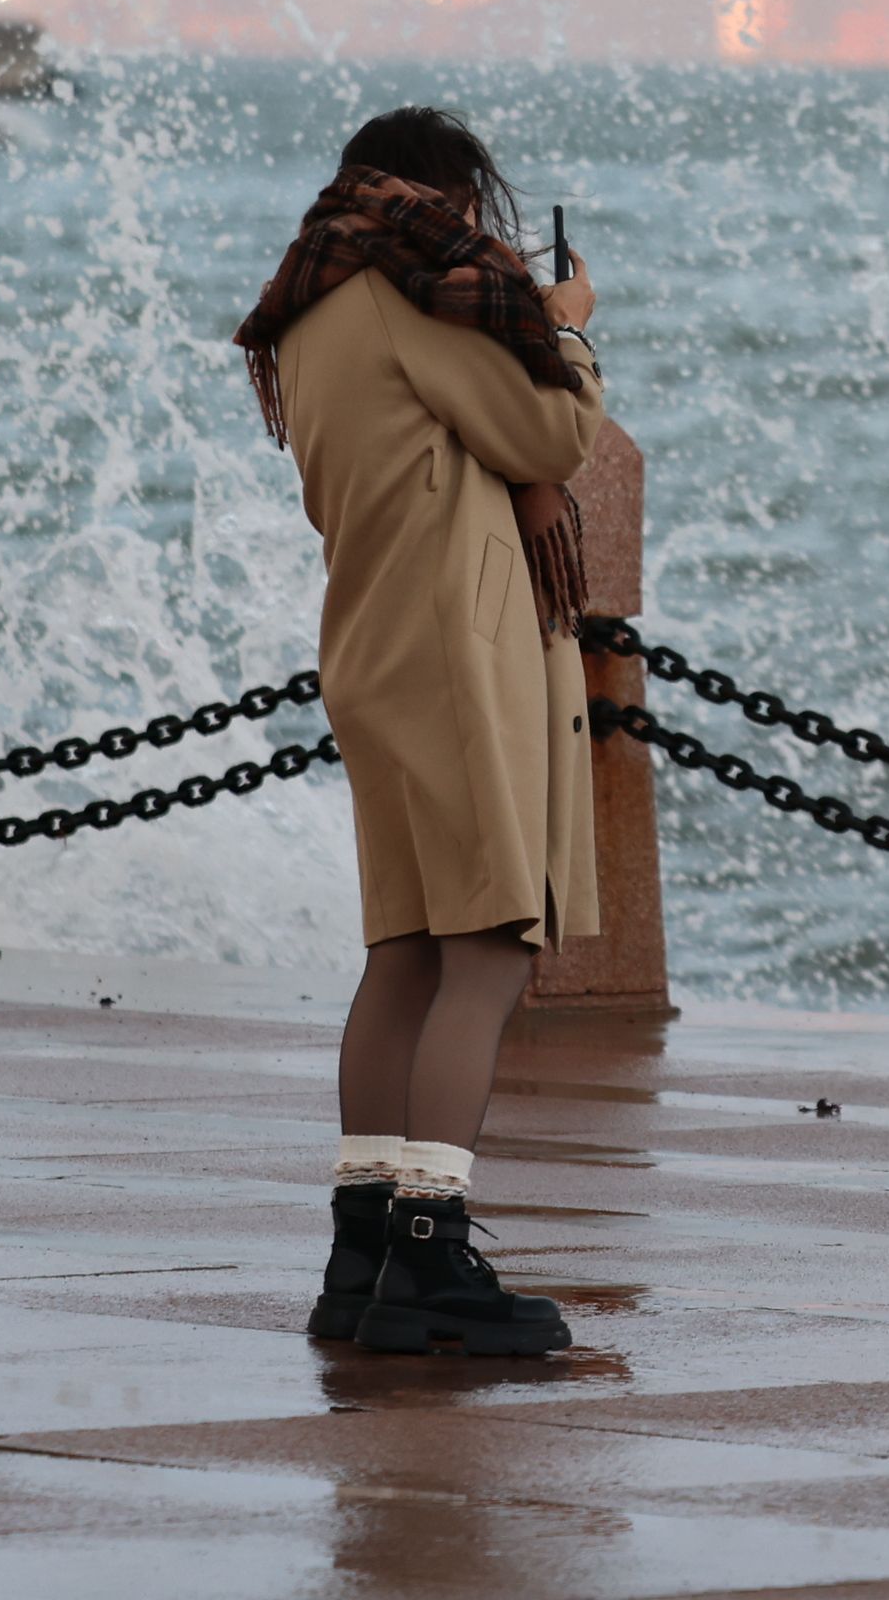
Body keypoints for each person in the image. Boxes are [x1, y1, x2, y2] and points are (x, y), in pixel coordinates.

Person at [235, 105, 609, 1358]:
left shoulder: (306, 304)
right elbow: (548, 432)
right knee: (491, 944)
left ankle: (362, 1249)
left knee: (404, 948)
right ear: (436, 192)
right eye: (472, 207)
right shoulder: (415, 289)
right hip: (458, 650)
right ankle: (434, 1252)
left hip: (372, 642)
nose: (478, 235)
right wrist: (566, 332)